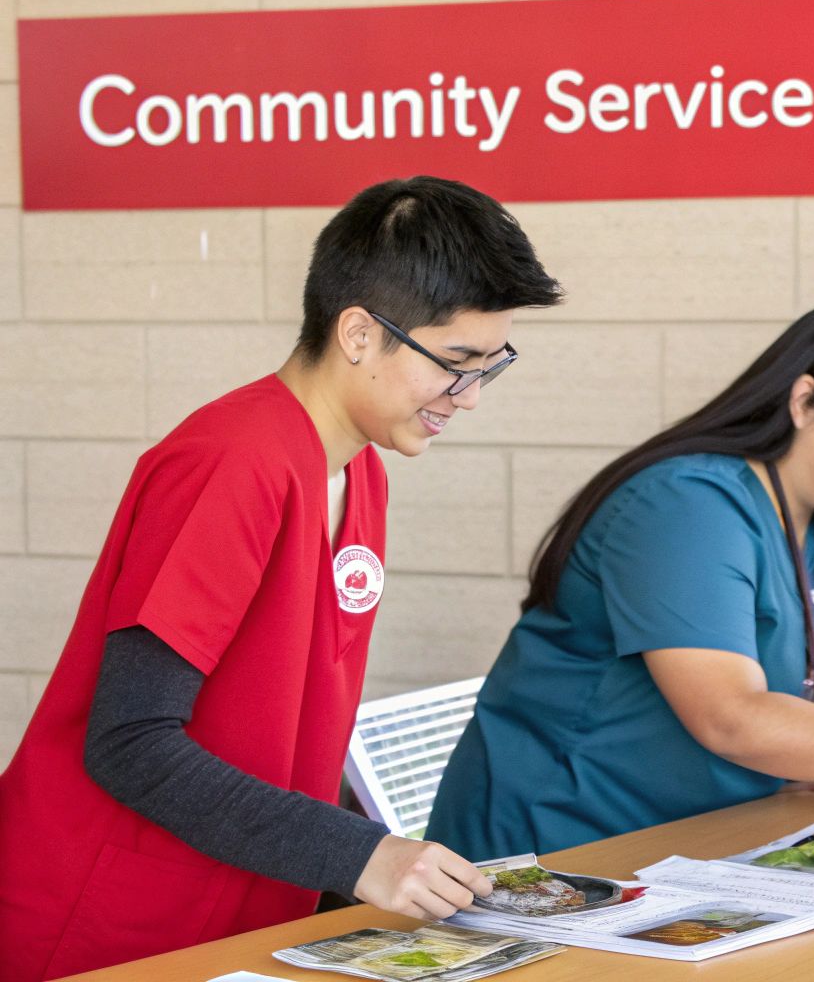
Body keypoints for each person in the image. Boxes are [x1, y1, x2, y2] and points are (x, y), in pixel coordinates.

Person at [0, 177, 563, 981]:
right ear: (361, 333)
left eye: (490, 366)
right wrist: (360, 855)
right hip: (109, 923)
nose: (468, 398)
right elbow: (129, 742)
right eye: (455, 364)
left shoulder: (361, 471)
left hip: (239, 915)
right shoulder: (233, 462)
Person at [425, 300, 814, 861]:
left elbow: (786, 710)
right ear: (803, 401)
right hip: (548, 857)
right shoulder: (687, 505)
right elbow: (731, 717)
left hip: (692, 847)